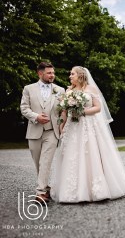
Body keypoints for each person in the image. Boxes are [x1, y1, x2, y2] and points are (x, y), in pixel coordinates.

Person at [50, 66, 125, 203]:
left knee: (91, 154)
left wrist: (82, 111)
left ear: (80, 75)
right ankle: (72, 190)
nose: (70, 76)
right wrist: (61, 126)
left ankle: (97, 189)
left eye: (72, 74)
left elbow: (98, 108)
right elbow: (64, 112)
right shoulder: (69, 91)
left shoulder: (91, 89)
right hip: (73, 126)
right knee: (72, 155)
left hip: (89, 125)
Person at [20, 62, 65, 204]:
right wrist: (36, 117)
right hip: (34, 131)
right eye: (49, 73)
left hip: (52, 132)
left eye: (53, 72)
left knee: (46, 161)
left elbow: (63, 111)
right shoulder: (28, 89)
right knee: (38, 162)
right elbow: (24, 108)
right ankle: (45, 187)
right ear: (40, 73)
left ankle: (39, 193)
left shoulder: (60, 90)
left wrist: (62, 126)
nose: (53, 75)